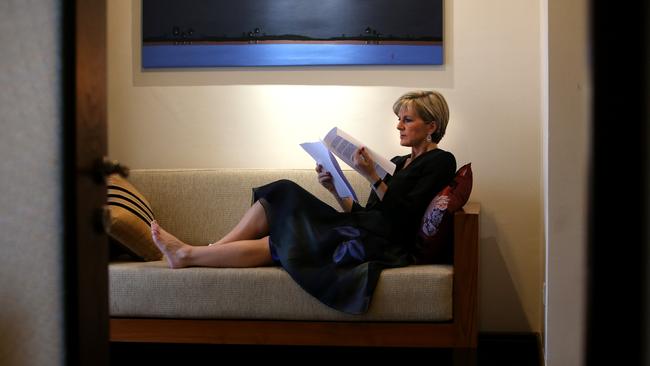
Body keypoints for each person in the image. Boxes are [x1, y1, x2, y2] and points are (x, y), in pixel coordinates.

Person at [151, 90, 456, 314]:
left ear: (431, 126)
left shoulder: (441, 162)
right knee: (281, 192)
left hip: (384, 244)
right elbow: (369, 214)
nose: (399, 126)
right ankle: (204, 252)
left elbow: (404, 216)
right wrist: (335, 190)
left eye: (407, 119)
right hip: (364, 228)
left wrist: (372, 175)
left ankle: (190, 255)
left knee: (283, 236)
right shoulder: (397, 162)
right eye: (398, 119)